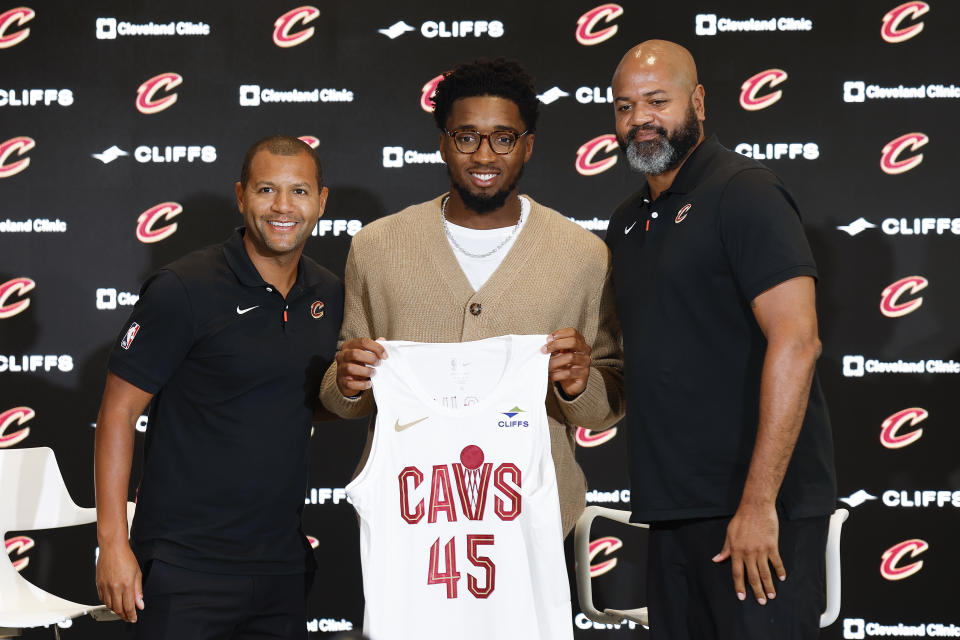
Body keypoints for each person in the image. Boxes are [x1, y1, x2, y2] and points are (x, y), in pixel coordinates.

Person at [318, 58, 624, 538]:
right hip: (410, 519)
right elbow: (345, 398)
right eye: (466, 137)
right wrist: (348, 382)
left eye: (503, 138)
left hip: (531, 521)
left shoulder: (583, 254)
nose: (484, 155)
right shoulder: (377, 247)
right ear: (443, 143)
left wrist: (580, 385)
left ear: (528, 147)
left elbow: (607, 403)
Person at [605, 40, 836, 639]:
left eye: (658, 100)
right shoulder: (627, 220)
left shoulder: (744, 192)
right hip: (672, 512)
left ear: (698, 102)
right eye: (625, 106)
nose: (640, 119)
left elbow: (798, 340)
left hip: (758, 511)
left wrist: (759, 504)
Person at [94, 135, 343, 639]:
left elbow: (303, 403)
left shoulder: (331, 294)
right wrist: (114, 545)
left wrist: (355, 393)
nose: (282, 207)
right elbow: (117, 413)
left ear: (321, 201)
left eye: (298, 192)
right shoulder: (184, 288)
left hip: (282, 567)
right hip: (184, 568)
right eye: (266, 189)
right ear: (240, 196)